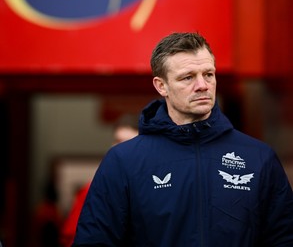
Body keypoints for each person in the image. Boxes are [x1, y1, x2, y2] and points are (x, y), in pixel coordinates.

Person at [72, 32, 293, 246]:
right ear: (161, 86)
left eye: (208, 74)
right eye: (188, 77)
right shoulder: (124, 161)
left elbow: (283, 238)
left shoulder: (258, 157)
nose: (202, 85)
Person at [60, 114, 138, 247]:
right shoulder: (92, 189)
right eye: (118, 141)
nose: (121, 148)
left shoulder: (152, 187)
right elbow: (72, 237)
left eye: (129, 142)